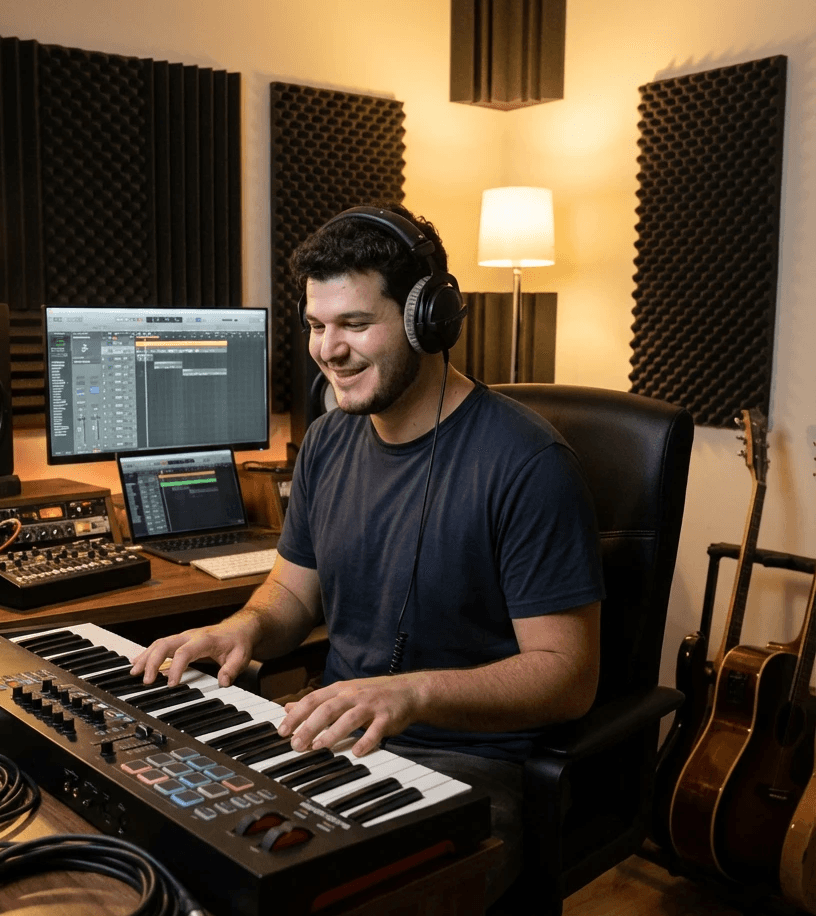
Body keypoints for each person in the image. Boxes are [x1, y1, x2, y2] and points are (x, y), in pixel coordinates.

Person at [131, 202, 604, 904]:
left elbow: (568, 677)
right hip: (336, 739)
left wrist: (411, 694)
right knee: (172, 844)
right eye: (318, 326)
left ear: (427, 320)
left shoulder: (527, 463)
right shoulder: (327, 441)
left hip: (470, 769)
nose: (328, 349)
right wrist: (240, 629)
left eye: (354, 324)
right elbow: (292, 597)